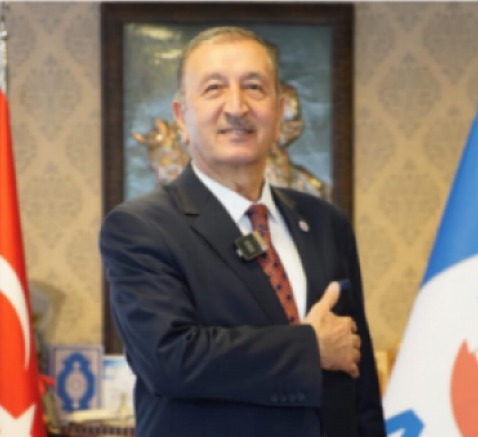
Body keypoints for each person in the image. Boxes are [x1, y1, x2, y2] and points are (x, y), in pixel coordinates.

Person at [99, 26, 386, 437]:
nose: (236, 107)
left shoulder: (326, 222)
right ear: (182, 116)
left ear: (279, 109)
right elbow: (171, 359)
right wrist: (310, 349)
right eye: (214, 88)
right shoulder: (140, 228)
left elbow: (359, 384)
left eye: (254, 87)